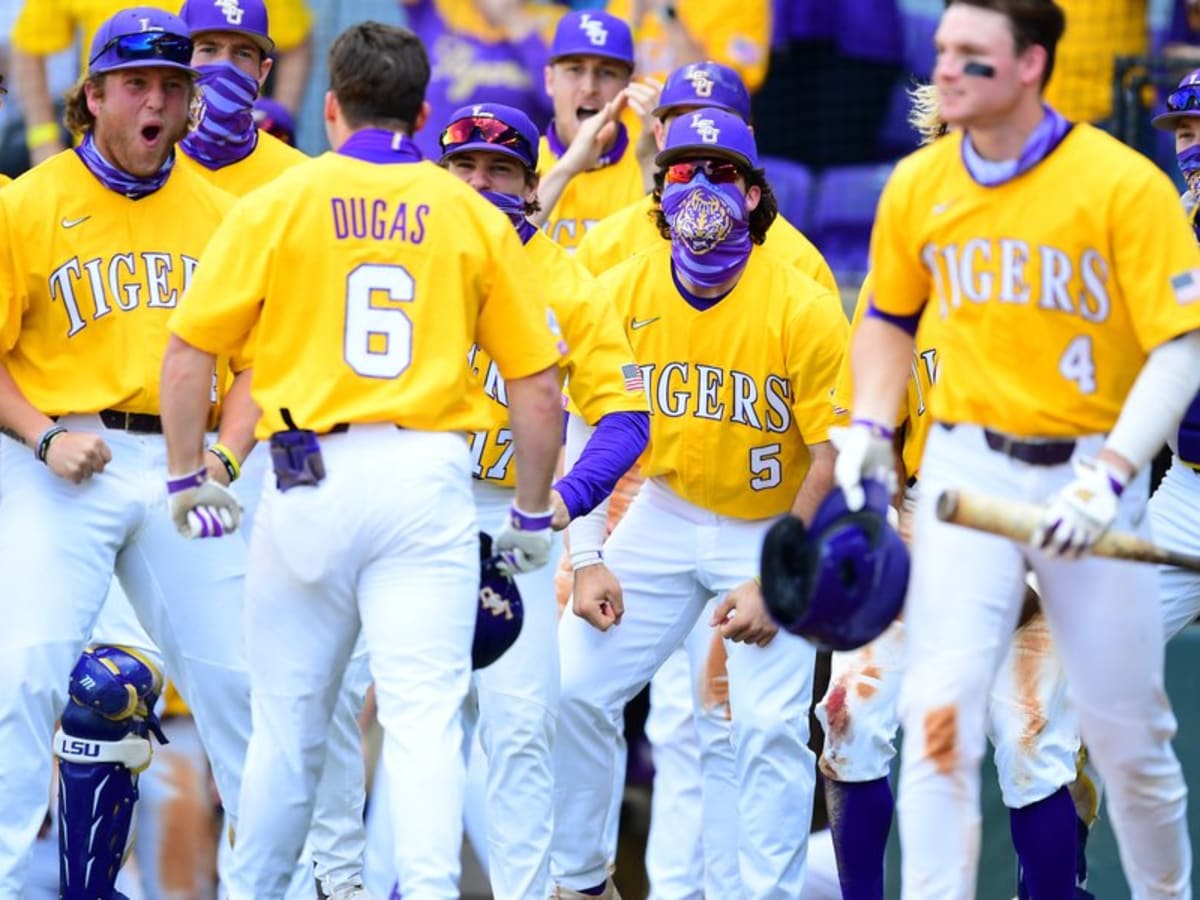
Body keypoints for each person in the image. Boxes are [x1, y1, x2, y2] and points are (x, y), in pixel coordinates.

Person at [160, 21, 565, 899]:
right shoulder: (467, 209)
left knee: (288, 729)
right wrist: (532, 515)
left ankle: (255, 891)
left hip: (306, 470)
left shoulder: (283, 197)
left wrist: (188, 473)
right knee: (423, 725)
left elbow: (189, 351)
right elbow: (538, 387)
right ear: (421, 115)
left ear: (331, 108)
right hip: (426, 477)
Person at [835, 1, 1200, 895]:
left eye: (972, 53)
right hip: (968, 468)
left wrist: (1111, 473)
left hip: (1086, 470)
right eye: (942, 48)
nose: (945, 68)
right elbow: (883, 319)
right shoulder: (920, 187)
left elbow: (1180, 344)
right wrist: (874, 434)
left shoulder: (1119, 184)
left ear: (1032, 63)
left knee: (1127, 743)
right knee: (939, 729)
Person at [551, 107, 847, 900]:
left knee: (769, 730)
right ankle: (582, 881)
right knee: (574, 687)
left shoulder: (803, 301)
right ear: (658, 192)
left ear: (754, 196)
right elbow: (584, 418)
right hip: (667, 512)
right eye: (684, 170)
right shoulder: (618, 289)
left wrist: (779, 577)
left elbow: (832, 455)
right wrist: (585, 559)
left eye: (722, 172)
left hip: (771, 525)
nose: (703, 188)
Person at [816, 79, 1093, 900]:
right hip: (918, 520)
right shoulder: (901, 283)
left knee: (1030, 744)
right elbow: (869, 426)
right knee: (848, 716)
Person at [0, 7, 254, 896]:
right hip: (61, 459)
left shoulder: (228, 217)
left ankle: (275, 882)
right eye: (139, 83)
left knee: (246, 690)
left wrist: (223, 457)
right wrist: (43, 436)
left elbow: (258, 368)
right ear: (94, 95)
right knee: (24, 676)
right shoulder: (24, 204)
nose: (159, 99)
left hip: (185, 467)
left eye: (174, 86)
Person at [428, 100, 649, 900]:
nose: (481, 183)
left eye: (501, 170)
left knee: (524, 726)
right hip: (413, 509)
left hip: (508, 520)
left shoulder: (565, 279)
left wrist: (567, 498)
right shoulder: (402, 252)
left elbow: (627, 419)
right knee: (409, 725)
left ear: (529, 185)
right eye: (466, 167)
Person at [9, 0, 313, 167]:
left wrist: (275, 120)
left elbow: (295, 39)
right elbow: (27, 45)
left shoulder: (291, 176)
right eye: (207, 49)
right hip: (107, 157)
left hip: (232, 157)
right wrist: (43, 139)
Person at [534, 9, 648, 251]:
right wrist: (568, 167)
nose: (589, 87)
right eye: (575, 69)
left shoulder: (649, 166)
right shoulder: (519, 163)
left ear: (629, 87)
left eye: (607, 73)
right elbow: (497, 254)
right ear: (549, 80)